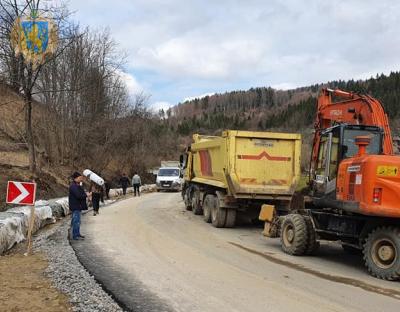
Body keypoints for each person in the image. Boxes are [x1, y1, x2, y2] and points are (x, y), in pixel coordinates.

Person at [69, 172, 89, 240]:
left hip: (78, 206)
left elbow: (81, 192)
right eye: (80, 178)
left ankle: (77, 234)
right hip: (75, 206)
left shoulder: (77, 185)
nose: (81, 179)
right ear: (76, 178)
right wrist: (87, 195)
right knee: (76, 221)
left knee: (78, 221)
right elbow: (78, 195)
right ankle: (75, 235)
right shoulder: (73, 186)